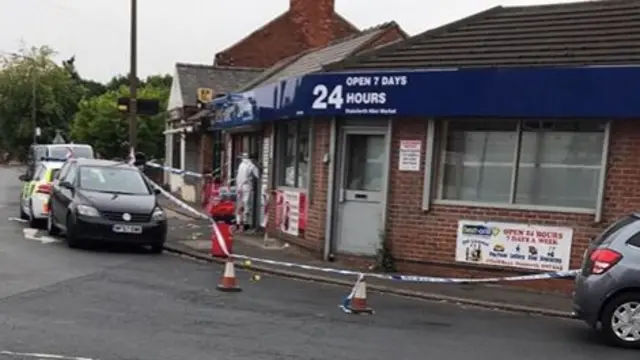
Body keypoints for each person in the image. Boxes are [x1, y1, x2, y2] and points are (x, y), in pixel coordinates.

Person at [234, 152, 260, 231]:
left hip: (239, 187)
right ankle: (245, 224)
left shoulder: (241, 164)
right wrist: (258, 166)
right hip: (247, 187)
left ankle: (238, 223)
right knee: (247, 205)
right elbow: (258, 175)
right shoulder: (251, 165)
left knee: (239, 205)